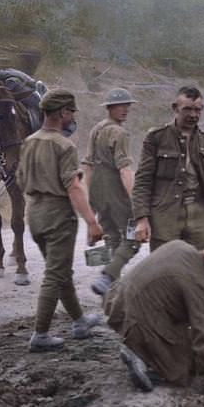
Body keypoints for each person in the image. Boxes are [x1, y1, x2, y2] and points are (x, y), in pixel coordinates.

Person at [105, 233, 204, 407]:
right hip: (137, 321)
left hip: (117, 305)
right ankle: (141, 355)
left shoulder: (181, 246)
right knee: (189, 368)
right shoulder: (194, 280)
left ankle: (140, 348)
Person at [16, 88, 104, 351]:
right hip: (58, 215)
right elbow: (73, 188)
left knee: (61, 271)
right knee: (55, 275)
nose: (72, 116)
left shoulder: (29, 141)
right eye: (71, 112)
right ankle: (40, 335)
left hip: (35, 214)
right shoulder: (64, 145)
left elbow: (20, 180)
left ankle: (79, 322)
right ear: (63, 112)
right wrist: (91, 221)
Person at [132, 86, 204, 251]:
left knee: (202, 266)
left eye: (198, 110)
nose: (193, 115)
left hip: (200, 215)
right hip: (166, 215)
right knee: (165, 268)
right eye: (187, 109)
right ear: (175, 108)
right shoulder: (156, 138)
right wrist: (141, 218)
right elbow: (143, 181)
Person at [84, 88, 141, 296]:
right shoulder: (119, 132)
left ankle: (111, 293)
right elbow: (125, 169)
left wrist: (90, 198)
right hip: (115, 189)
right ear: (109, 108)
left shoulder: (96, 129)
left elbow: (88, 166)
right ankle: (108, 276)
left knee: (113, 238)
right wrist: (136, 201)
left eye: (127, 105)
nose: (125, 109)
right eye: (120, 106)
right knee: (133, 238)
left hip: (98, 189)